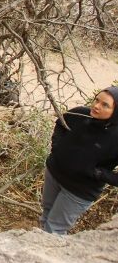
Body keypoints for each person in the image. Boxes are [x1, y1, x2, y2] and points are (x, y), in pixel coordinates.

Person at [41, 86, 118, 234]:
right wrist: (57, 147)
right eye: (97, 100)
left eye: (105, 105)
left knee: (54, 229)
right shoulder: (80, 114)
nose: (96, 106)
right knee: (46, 214)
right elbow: (60, 123)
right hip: (54, 174)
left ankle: (43, 256)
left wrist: (99, 174)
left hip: (78, 190)